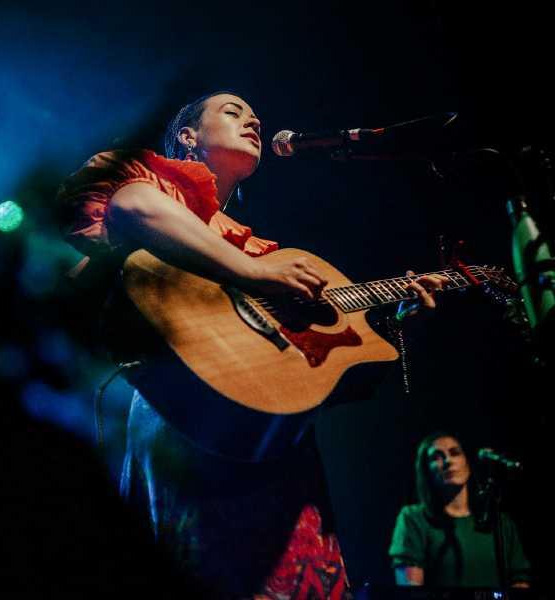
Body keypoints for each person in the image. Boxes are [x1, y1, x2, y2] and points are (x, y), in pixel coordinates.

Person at [58, 91, 449, 599]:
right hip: (187, 417)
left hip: (268, 440)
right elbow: (132, 207)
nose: (254, 120)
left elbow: (312, 374)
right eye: (232, 111)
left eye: (254, 114)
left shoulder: (253, 248)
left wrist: (396, 327)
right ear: (186, 137)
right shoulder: (147, 182)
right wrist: (254, 272)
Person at [389, 432, 532, 588]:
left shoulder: (500, 523)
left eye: (455, 453)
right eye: (437, 456)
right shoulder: (414, 519)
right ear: (425, 471)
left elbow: (520, 579)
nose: (448, 460)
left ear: (467, 464)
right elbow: (410, 590)